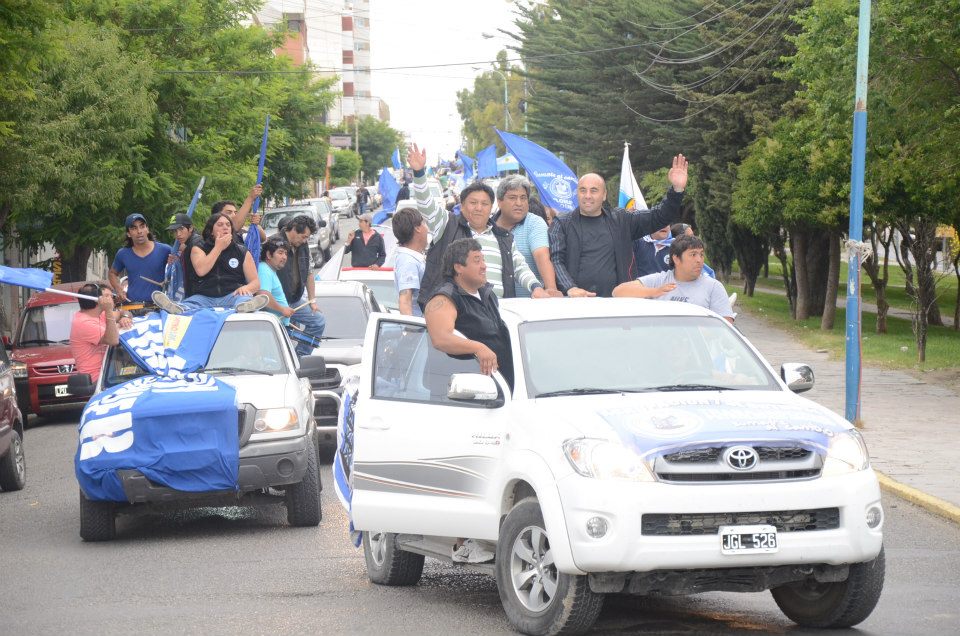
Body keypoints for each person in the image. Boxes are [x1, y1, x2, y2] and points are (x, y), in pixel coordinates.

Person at [407, 143, 552, 308]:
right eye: (473, 203)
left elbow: (520, 267)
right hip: (455, 311)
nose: (478, 208)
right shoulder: (447, 225)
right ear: (462, 206)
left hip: (496, 311)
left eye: (484, 204)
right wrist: (419, 173)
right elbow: (426, 205)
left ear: (491, 208)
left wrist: (536, 287)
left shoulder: (503, 237)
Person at [549, 155, 688, 297]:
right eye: (583, 190)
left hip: (618, 304)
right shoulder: (562, 223)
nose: (587, 195)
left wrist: (676, 190)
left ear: (604, 195)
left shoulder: (621, 220)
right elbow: (555, 260)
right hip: (575, 303)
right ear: (577, 193)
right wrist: (570, 288)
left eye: (594, 190)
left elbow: (659, 216)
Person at [423, 238, 514, 388]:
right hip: (462, 390)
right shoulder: (444, 298)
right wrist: (479, 348)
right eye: (477, 261)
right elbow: (441, 339)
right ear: (458, 267)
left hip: (500, 384)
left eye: (483, 260)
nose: (484, 266)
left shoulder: (487, 294)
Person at [152, 213, 266, 314]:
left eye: (228, 225)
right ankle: (177, 308)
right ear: (211, 231)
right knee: (190, 304)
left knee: (243, 299)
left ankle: (247, 305)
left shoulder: (242, 251)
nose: (225, 227)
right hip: (203, 297)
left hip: (233, 295)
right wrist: (218, 248)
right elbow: (201, 271)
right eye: (220, 225)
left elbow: (255, 283)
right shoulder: (198, 248)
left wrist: (247, 288)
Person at [612, 235, 735, 322]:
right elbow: (618, 292)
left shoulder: (714, 287)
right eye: (693, 254)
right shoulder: (659, 280)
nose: (699, 260)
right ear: (676, 259)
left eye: (701, 254)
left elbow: (725, 324)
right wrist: (654, 292)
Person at [493, 175, 559, 297]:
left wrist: (551, 289)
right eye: (512, 198)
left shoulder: (534, 223)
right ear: (499, 201)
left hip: (530, 302)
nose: (519, 203)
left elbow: (542, 256)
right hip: (495, 303)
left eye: (523, 198)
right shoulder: (488, 227)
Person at [270, 215, 326, 356]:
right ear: (294, 229)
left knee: (318, 321)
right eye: (303, 236)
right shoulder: (274, 243)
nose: (305, 240)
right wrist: (278, 307)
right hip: (276, 302)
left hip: (295, 299)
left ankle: (299, 357)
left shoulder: (303, 246)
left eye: (307, 237)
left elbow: (309, 272)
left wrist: (312, 300)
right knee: (280, 338)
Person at [70, 283, 132, 383]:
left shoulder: (98, 314)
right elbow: (113, 340)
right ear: (98, 300)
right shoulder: (83, 323)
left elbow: (123, 312)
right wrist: (109, 311)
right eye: (105, 296)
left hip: (109, 373)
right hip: (97, 380)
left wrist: (125, 317)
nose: (110, 299)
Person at [109, 213, 174, 303]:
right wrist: (119, 289)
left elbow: (178, 271)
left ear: (147, 229)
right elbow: (112, 273)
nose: (139, 231)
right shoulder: (123, 254)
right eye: (134, 228)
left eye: (142, 226)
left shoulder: (165, 250)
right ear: (128, 234)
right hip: (132, 306)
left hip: (159, 306)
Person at [391, 206, 428, 316]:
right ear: (417, 228)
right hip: (420, 325)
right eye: (424, 223)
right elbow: (405, 302)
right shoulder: (408, 261)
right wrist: (411, 326)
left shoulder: (413, 258)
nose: (427, 229)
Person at [256, 238, 295, 325]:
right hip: (272, 326)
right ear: (269, 255)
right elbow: (263, 296)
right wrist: (282, 309)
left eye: (285, 253)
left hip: (279, 324)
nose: (284, 257)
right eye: (280, 253)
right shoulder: (264, 270)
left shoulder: (270, 270)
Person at [167, 213, 203, 298]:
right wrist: (177, 261)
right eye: (174, 231)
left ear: (190, 228)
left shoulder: (196, 244)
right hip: (194, 294)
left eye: (181, 229)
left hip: (200, 296)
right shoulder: (188, 244)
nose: (178, 234)